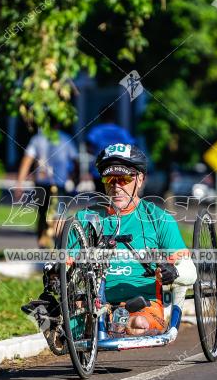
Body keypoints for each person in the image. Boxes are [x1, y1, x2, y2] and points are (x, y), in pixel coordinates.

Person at [24, 144, 196, 340]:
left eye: (124, 178)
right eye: (109, 178)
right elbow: (64, 263)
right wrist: (55, 272)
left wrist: (173, 272)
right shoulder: (84, 219)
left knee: (137, 325)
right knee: (63, 331)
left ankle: (105, 322)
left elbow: (190, 270)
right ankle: (59, 323)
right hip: (93, 301)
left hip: (142, 303)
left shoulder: (159, 219)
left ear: (140, 180)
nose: (116, 186)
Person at [15, 127, 79, 247]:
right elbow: (76, 160)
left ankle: (43, 244)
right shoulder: (65, 138)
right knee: (59, 215)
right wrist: (75, 178)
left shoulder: (38, 138)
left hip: (41, 183)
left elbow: (27, 160)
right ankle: (57, 244)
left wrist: (20, 183)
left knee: (42, 214)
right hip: (59, 183)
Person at [85, 108, 135, 194]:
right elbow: (131, 149)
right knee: (117, 197)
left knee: (101, 198)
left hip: (100, 171)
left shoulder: (96, 131)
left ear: (101, 117)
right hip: (119, 170)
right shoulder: (121, 131)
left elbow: (88, 149)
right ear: (114, 117)